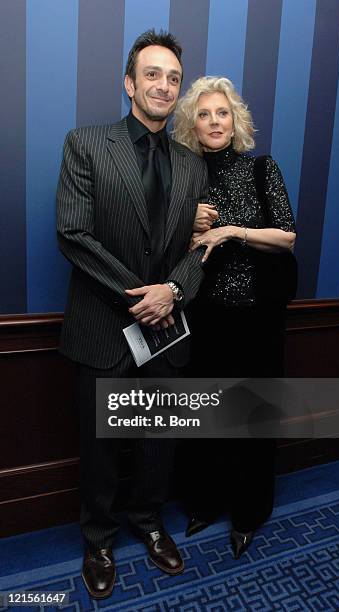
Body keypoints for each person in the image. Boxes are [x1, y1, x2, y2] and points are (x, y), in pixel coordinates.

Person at [56, 30, 208, 600]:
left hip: (167, 331)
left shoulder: (192, 166)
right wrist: (141, 293)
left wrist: (172, 290)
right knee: (98, 443)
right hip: (102, 328)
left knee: (157, 438)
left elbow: (200, 247)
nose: (164, 85)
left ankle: (147, 520)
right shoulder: (86, 144)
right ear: (129, 83)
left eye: (173, 77)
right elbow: (72, 234)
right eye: (152, 74)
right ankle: (97, 538)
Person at [173, 76, 296, 559]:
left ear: (235, 120)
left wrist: (229, 230)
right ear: (192, 126)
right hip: (205, 319)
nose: (213, 121)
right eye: (203, 114)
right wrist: (192, 227)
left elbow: (287, 236)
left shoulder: (262, 168)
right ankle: (204, 503)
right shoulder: (186, 179)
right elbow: (173, 252)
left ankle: (249, 512)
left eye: (221, 112)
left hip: (257, 320)